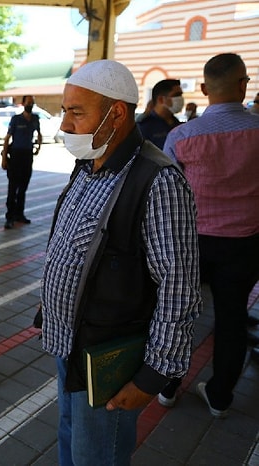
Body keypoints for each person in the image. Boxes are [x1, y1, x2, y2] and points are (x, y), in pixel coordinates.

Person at [40, 59, 201, 465]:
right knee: (71, 435)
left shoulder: (158, 180)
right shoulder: (87, 165)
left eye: (77, 112)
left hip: (108, 358)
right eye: (65, 111)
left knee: (96, 455)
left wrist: (152, 376)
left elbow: (179, 287)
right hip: (70, 342)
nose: (65, 125)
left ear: (116, 113)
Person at [163, 52, 259, 418]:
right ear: (243, 84)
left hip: (191, 244)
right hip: (246, 245)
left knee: (177, 314)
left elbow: (167, 191)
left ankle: (168, 385)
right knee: (232, 317)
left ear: (203, 89)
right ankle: (220, 396)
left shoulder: (182, 135)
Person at [0, 95, 42, 229]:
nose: (30, 104)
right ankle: (9, 217)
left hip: (27, 156)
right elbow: (7, 138)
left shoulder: (35, 119)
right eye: (28, 102)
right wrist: (4, 158)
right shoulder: (16, 119)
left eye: (32, 102)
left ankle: (20, 214)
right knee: (13, 188)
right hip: (15, 155)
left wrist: (38, 148)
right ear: (23, 104)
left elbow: (39, 134)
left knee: (23, 187)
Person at [137, 78, 184, 149]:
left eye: (180, 95)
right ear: (161, 99)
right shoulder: (144, 126)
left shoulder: (177, 124)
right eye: (176, 95)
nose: (180, 99)